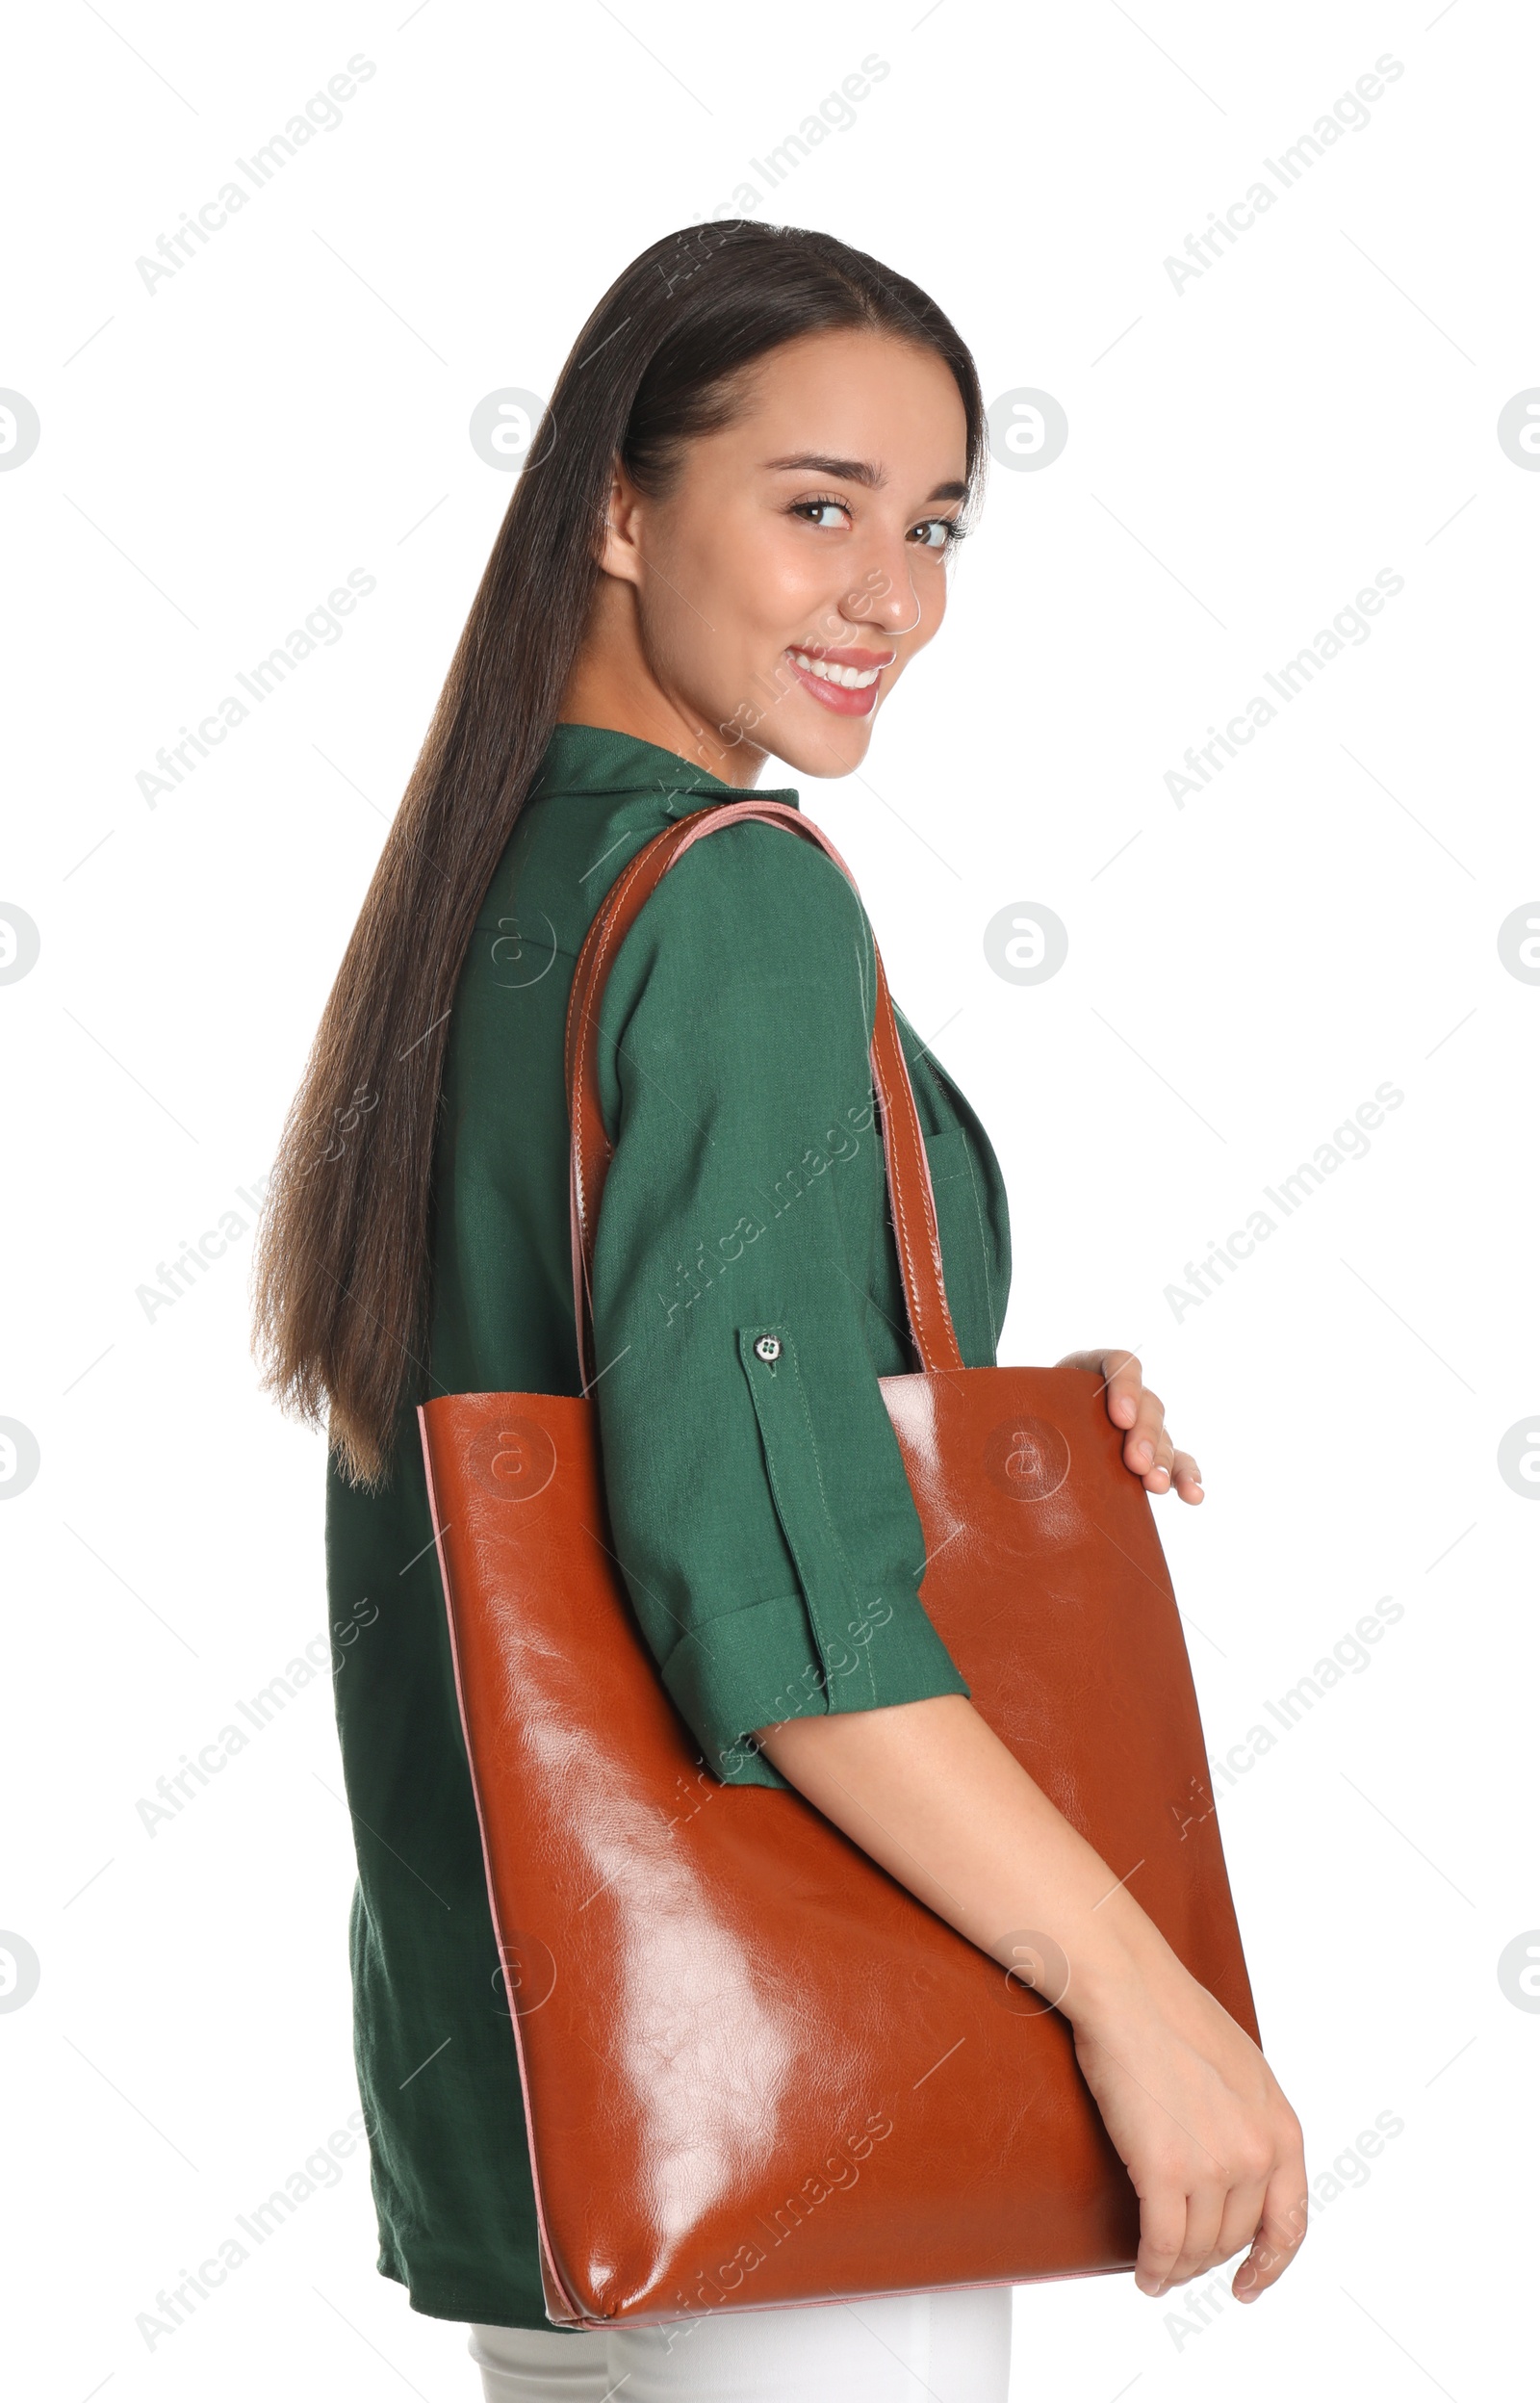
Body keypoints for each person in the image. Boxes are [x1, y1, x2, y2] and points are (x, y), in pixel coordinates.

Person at [252, 221, 1306, 2403]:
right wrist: (1145, 1999)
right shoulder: (730, 899)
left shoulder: (489, 881)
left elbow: (611, 1404)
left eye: (931, 527)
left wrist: (928, 1394)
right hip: (809, 2122)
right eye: (815, 508)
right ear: (620, 511)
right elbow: (769, 1602)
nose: (890, 598)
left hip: (550, 2109)